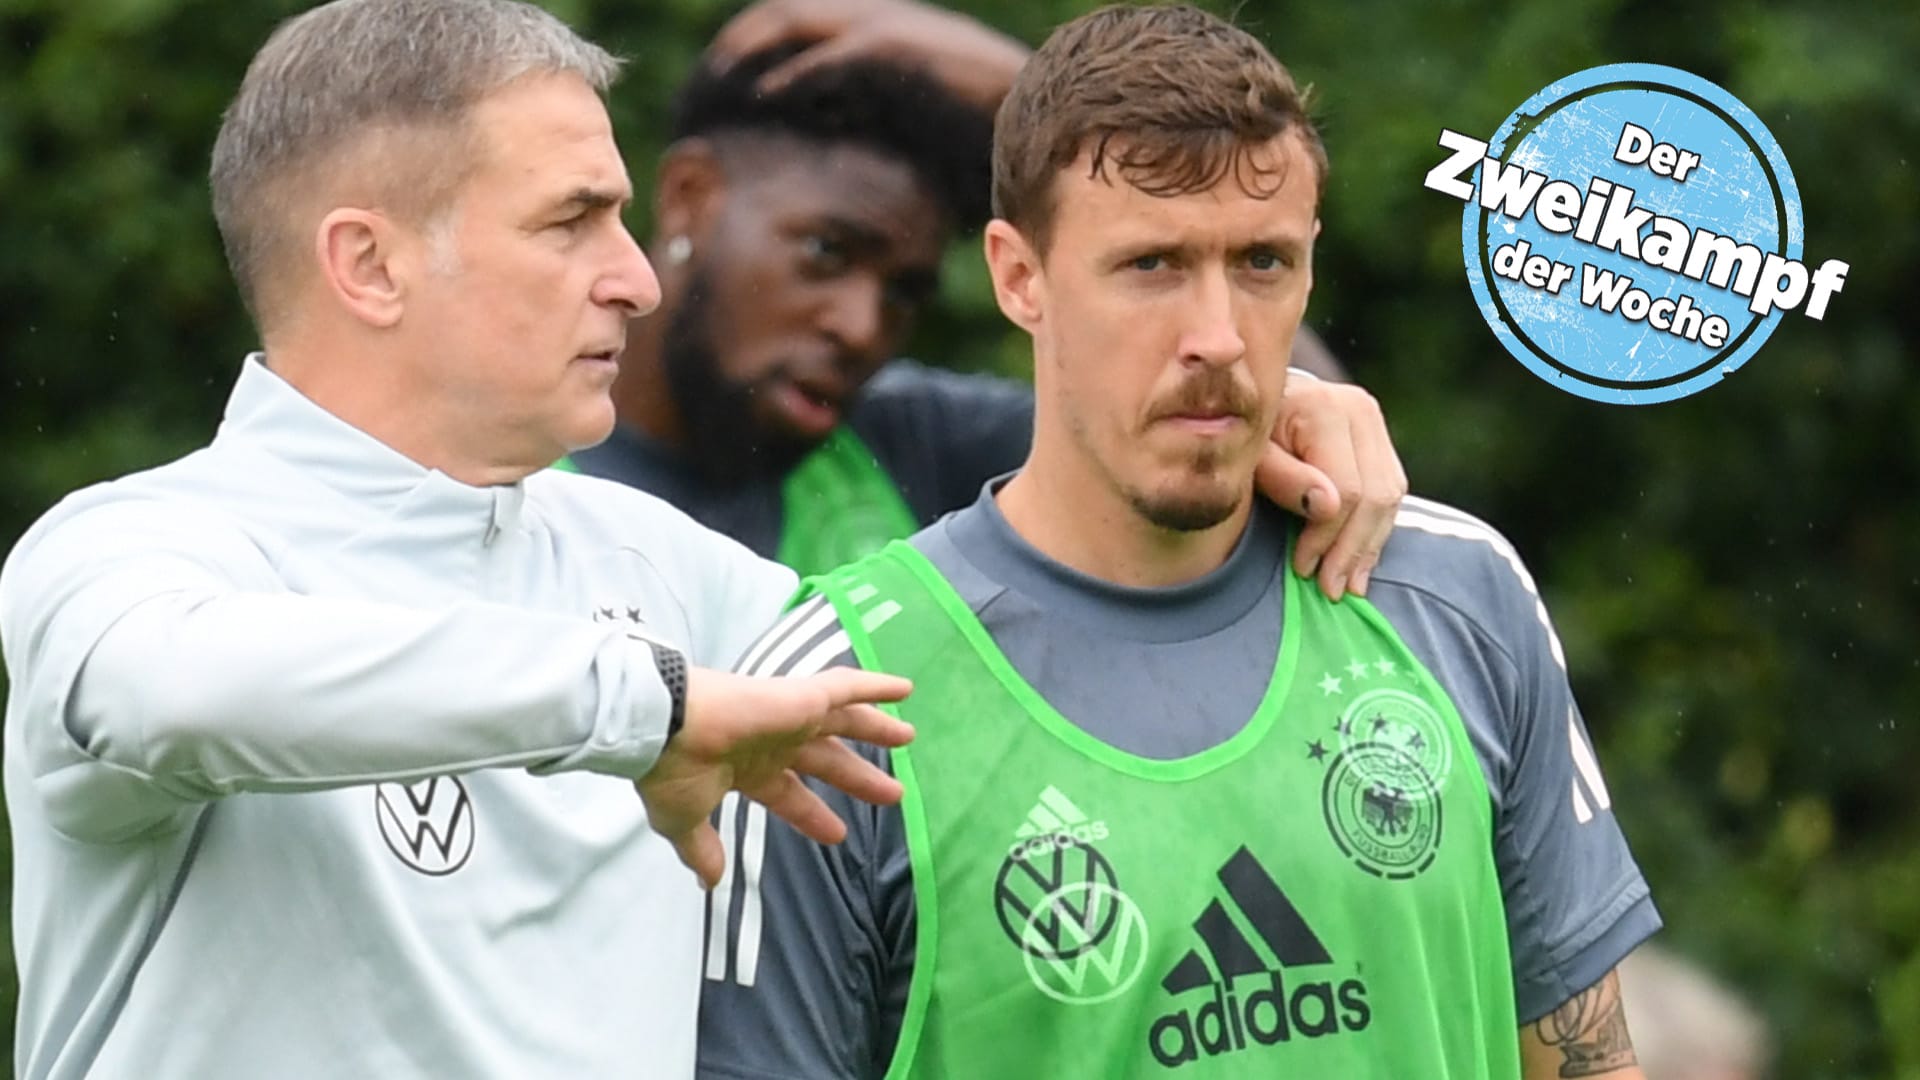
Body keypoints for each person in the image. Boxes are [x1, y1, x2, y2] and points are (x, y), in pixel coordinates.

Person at [696, 6, 1661, 1077]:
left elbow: (1585, 1059)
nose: (1216, 336)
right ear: (1020, 278)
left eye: (1260, 263)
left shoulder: (1454, 594)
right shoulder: (837, 692)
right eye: (1152, 264)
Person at [0, 1, 917, 1077]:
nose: (639, 279)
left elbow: (1005, 706)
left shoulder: (665, 568)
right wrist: (646, 705)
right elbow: (177, 695)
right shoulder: (132, 550)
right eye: (570, 221)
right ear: (370, 266)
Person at [568, 0, 1400, 593]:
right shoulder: (506, 458)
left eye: (903, 292)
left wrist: (1024, 89)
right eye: (825, 252)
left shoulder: (908, 448)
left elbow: (1279, 467)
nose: (862, 327)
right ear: (689, 197)